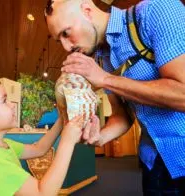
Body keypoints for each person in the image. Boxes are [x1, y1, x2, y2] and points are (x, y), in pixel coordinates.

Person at [45, 0, 185, 195]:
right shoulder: (102, 58)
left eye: (66, 33)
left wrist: (105, 79)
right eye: (59, 40)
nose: (66, 47)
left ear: (87, 10)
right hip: (153, 162)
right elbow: (123, 116)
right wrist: (100, 136)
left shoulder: (156, 10)